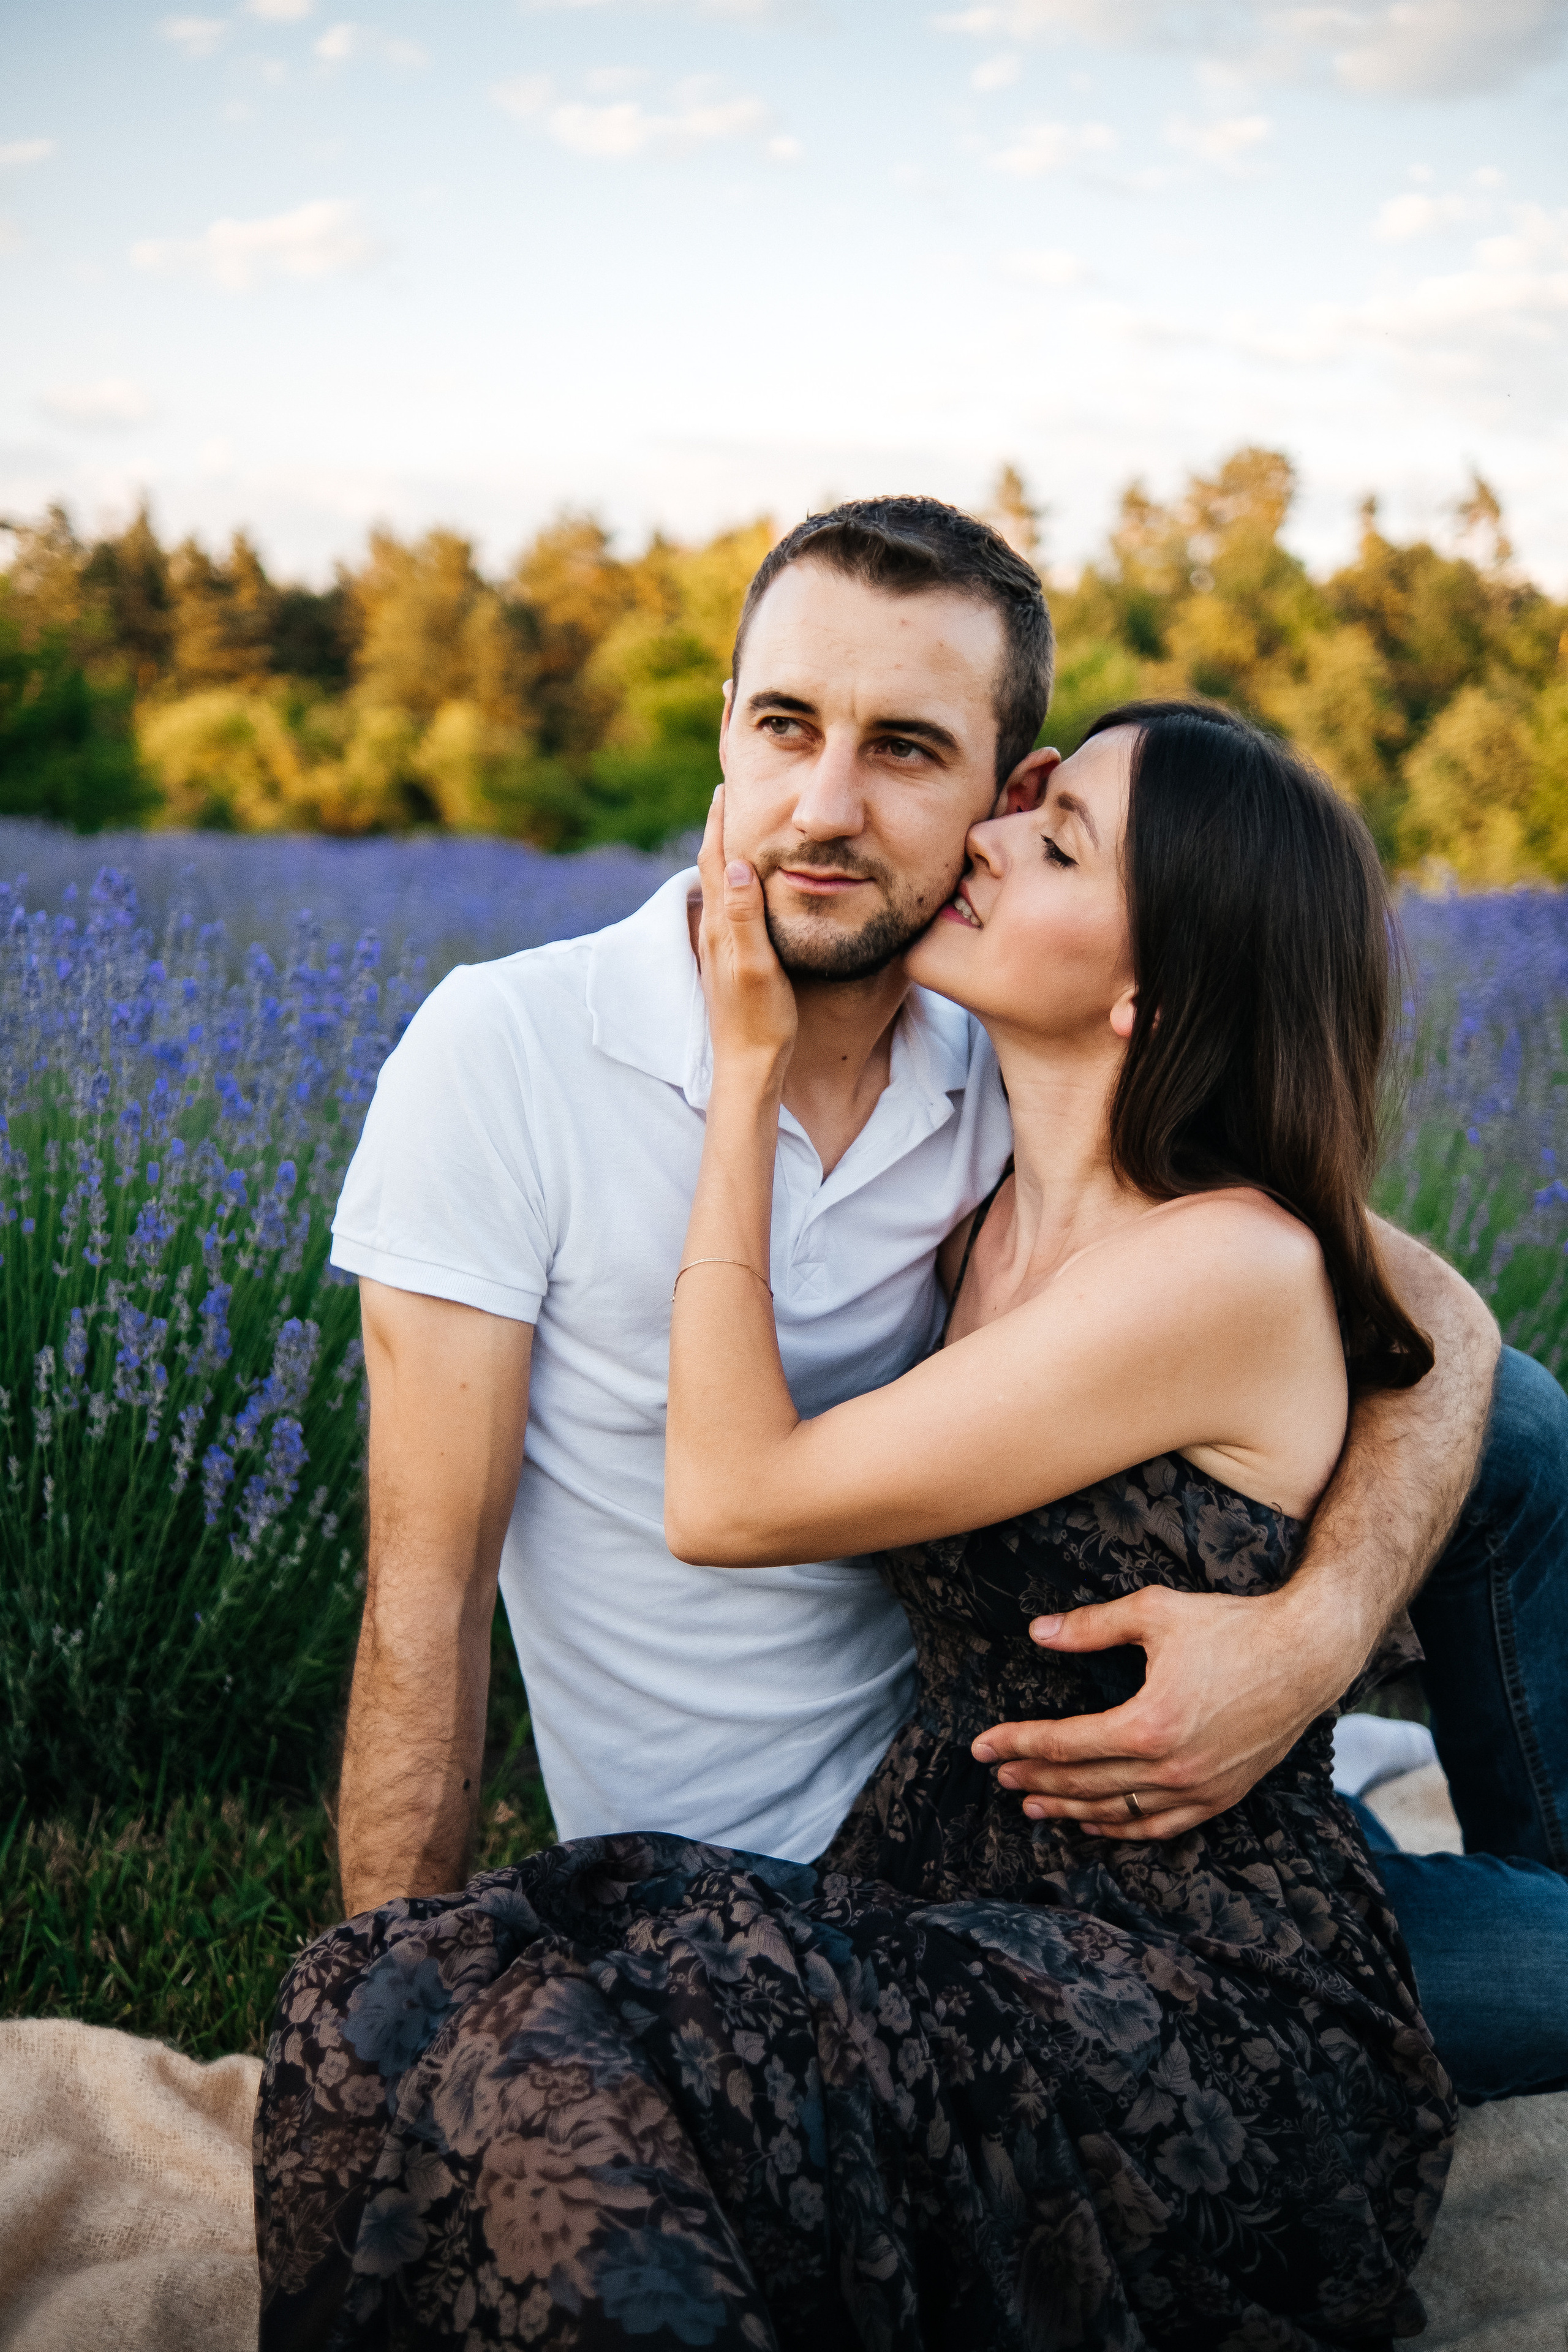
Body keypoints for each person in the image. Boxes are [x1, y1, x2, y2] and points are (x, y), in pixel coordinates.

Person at [314, 497, 1567, 2101]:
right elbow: (422, 1606)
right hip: (801, 1882)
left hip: (1058, 1814)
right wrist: (382, 2043)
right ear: (726, 733)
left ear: (1003, 794)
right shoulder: (511, 1056)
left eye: (906, 749)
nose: (820, 807)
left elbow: (1441, 1318)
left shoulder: (1016, 1041)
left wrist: (1311, 1640)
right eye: (785, 727)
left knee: (1514, 1426)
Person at [257, 706, 1461, 2345]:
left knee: (611, 2018)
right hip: (960, 1912)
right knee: (405, 1983)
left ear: (1151, 993)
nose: (983, 842)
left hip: (1194, 1997)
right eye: (1019, 812)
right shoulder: (991, 1208)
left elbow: (730, 1493)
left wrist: (740, 1070)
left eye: (1058, 845)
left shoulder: (1217, 1263)